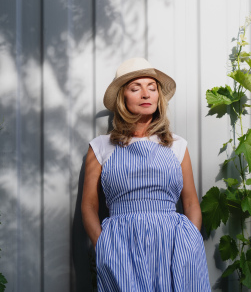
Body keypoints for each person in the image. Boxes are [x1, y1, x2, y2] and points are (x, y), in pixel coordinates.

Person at [81, 57, 211, 291]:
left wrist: (191, 240)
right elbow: (89, 205)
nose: (145, 94)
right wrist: (103, 245)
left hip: (174, 245)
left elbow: (190, 201)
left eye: (152, 88)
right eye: (135, 88)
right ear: (122, 97)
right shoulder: (101, 147)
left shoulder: (177, 145)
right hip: (121, 246)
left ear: (158, 97)